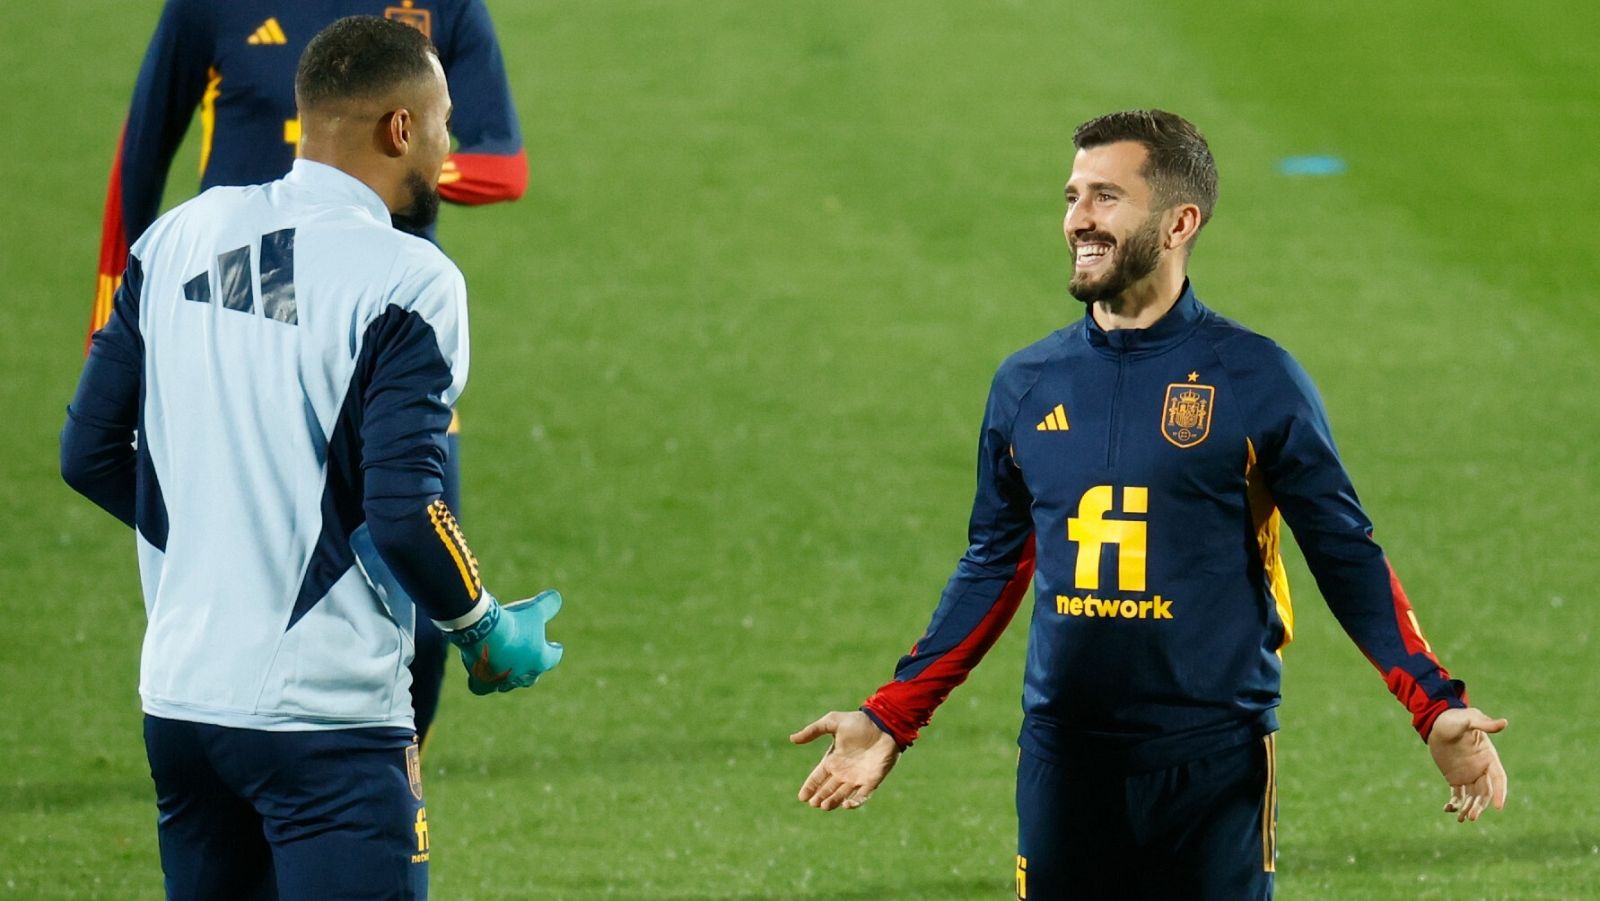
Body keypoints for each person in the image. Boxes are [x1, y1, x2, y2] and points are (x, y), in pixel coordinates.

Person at [791, 109, 1508, 900]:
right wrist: (893, 714)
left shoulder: (1255, 379)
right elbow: (995, 562)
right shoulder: (1026, 384)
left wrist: (1433, 703)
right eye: (1072, 196)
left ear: (1178, 222)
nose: (1077, 220)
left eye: (1105, 197)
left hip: (1211, 763)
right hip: (1065, 762)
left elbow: (1345, 553)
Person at [61, 18, 561, 898]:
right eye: (443, 123)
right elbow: (406, 512)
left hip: (181, 706)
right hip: (323, 720)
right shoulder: (411, 280)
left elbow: (90, 451)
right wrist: (483, 629)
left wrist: (223, 547)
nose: (449, 147)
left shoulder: (179, 235)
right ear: (400, 128)